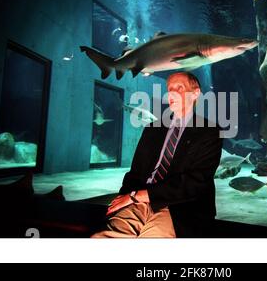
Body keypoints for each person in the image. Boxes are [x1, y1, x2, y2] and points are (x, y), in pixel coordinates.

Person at [91, 71, 223, 238]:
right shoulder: (152, 128)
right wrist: (125, 197)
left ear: (195, 93)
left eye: (179, 87)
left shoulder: (210, 131)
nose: (172, 93)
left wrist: (137, 196)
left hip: (179, 207)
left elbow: (196, 182)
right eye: (169, 88)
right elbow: (135, 172)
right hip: (137, 201)